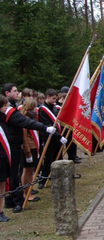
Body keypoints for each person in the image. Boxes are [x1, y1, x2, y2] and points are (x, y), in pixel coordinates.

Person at [2, 83, 56, 213]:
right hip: (12, 145)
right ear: (7, 93)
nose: (17, 92)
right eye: (14, 91)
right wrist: (44, 127)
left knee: (13, 174)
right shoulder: (9, 110)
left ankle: (11, 199)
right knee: (14, 174)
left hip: (14, 144)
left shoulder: (12, 107)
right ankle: (16, 200)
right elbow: (24, 122)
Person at [37, 89, 67, 189]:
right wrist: (59, 136)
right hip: (48, 137)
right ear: (47, 97)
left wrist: (60, 136)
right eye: (53, 98)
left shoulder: (54, 108)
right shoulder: (42, 109)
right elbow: (47, 124)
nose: (55, 100)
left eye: (56, 98)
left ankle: (59, 177)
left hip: (57, 137)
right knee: (48, 159)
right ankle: (43, 179)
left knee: (58, 158)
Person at [20, 98, 41, 202]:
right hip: (29, 148)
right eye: (34, 106)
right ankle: (26, 193)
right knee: (27, 171)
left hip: (34, 147)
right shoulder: (25, 119)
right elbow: (24, 137)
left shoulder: (32, 117)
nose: (36, 108)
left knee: (31, 171)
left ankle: (29, 190)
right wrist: (27, 152)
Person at [0, 95, 11, 222]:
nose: (6, 108)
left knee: (2, 183)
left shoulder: (4, 119)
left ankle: (1, 210)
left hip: (3, 156)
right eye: (4, 106)